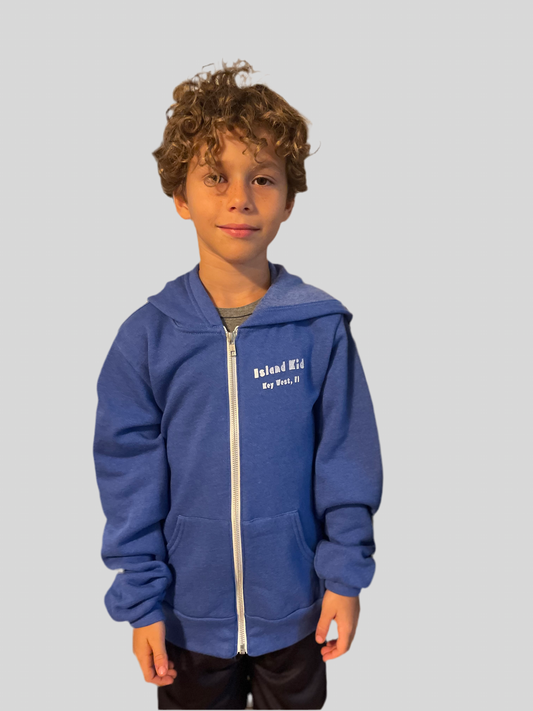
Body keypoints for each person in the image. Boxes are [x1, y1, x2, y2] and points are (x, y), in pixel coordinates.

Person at [93, 59, 383, 710]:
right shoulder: (146, 338)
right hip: (186, 619)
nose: (240, 198)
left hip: (298, 611)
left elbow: (346, 460)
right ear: (180, 195)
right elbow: (127, 479)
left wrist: (344, 578)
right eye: (215, 176)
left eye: (262, 178)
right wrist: (143, 603)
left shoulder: (319, 329)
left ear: (289, 198)